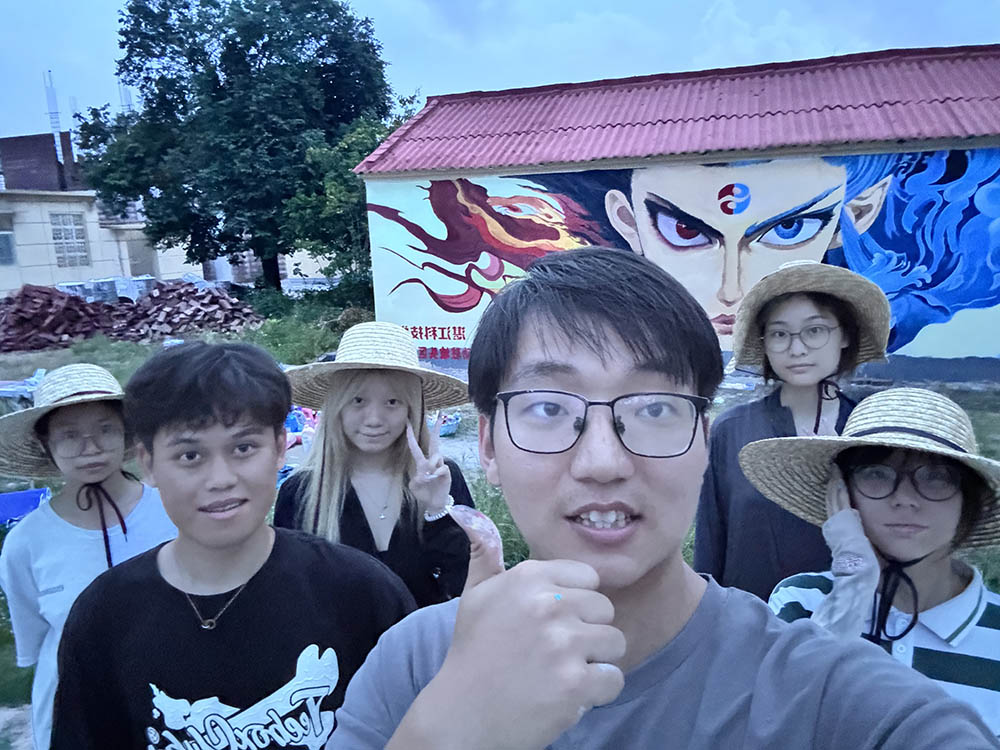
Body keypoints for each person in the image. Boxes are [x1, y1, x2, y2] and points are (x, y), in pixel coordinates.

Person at [326, 247, 999, 750]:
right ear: (489, 447)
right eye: (548, 407)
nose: (603, 462)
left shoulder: (835, 701)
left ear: (705, 441)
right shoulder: (414, 664)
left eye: (653, 408)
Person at [49, 342, 415, 749]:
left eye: (243, 448)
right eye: (190, 455)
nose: (221, 479)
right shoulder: (105, 616)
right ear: (148, 463)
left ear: (280, 448)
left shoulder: (363, 594)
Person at [739, 387, 1000, 734]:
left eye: (936, 477)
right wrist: (852, 585)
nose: (905, 499)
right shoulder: (803, 602)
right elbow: (775, 726)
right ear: (841, 492)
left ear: (969, 500)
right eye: (876, 473)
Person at [0, 364, 177, 750]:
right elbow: (38, 641)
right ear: (45, 443)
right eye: (69, 435)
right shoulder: (26, 543)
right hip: (78, 716)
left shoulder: (175, 512)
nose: (91, 447)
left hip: (174, 706)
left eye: (105, 429)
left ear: (126, 431)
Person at [693, 259, 891, 599]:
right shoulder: (732, 430)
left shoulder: (873, 431)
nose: (796, 349)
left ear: (845, 335)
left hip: (854, 620)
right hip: (750, 620)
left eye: (814, 330)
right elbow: (710, 543)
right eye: (779, 334)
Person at [276, 321, 474, 607]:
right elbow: (292, 597)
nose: (374, 419)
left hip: (432, 637)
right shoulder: (301, 493)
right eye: (358, 401)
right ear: (337, 407)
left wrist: (438, 511)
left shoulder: (442, 479)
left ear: (412, 410)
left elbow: (471, 588)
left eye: (392, 402)